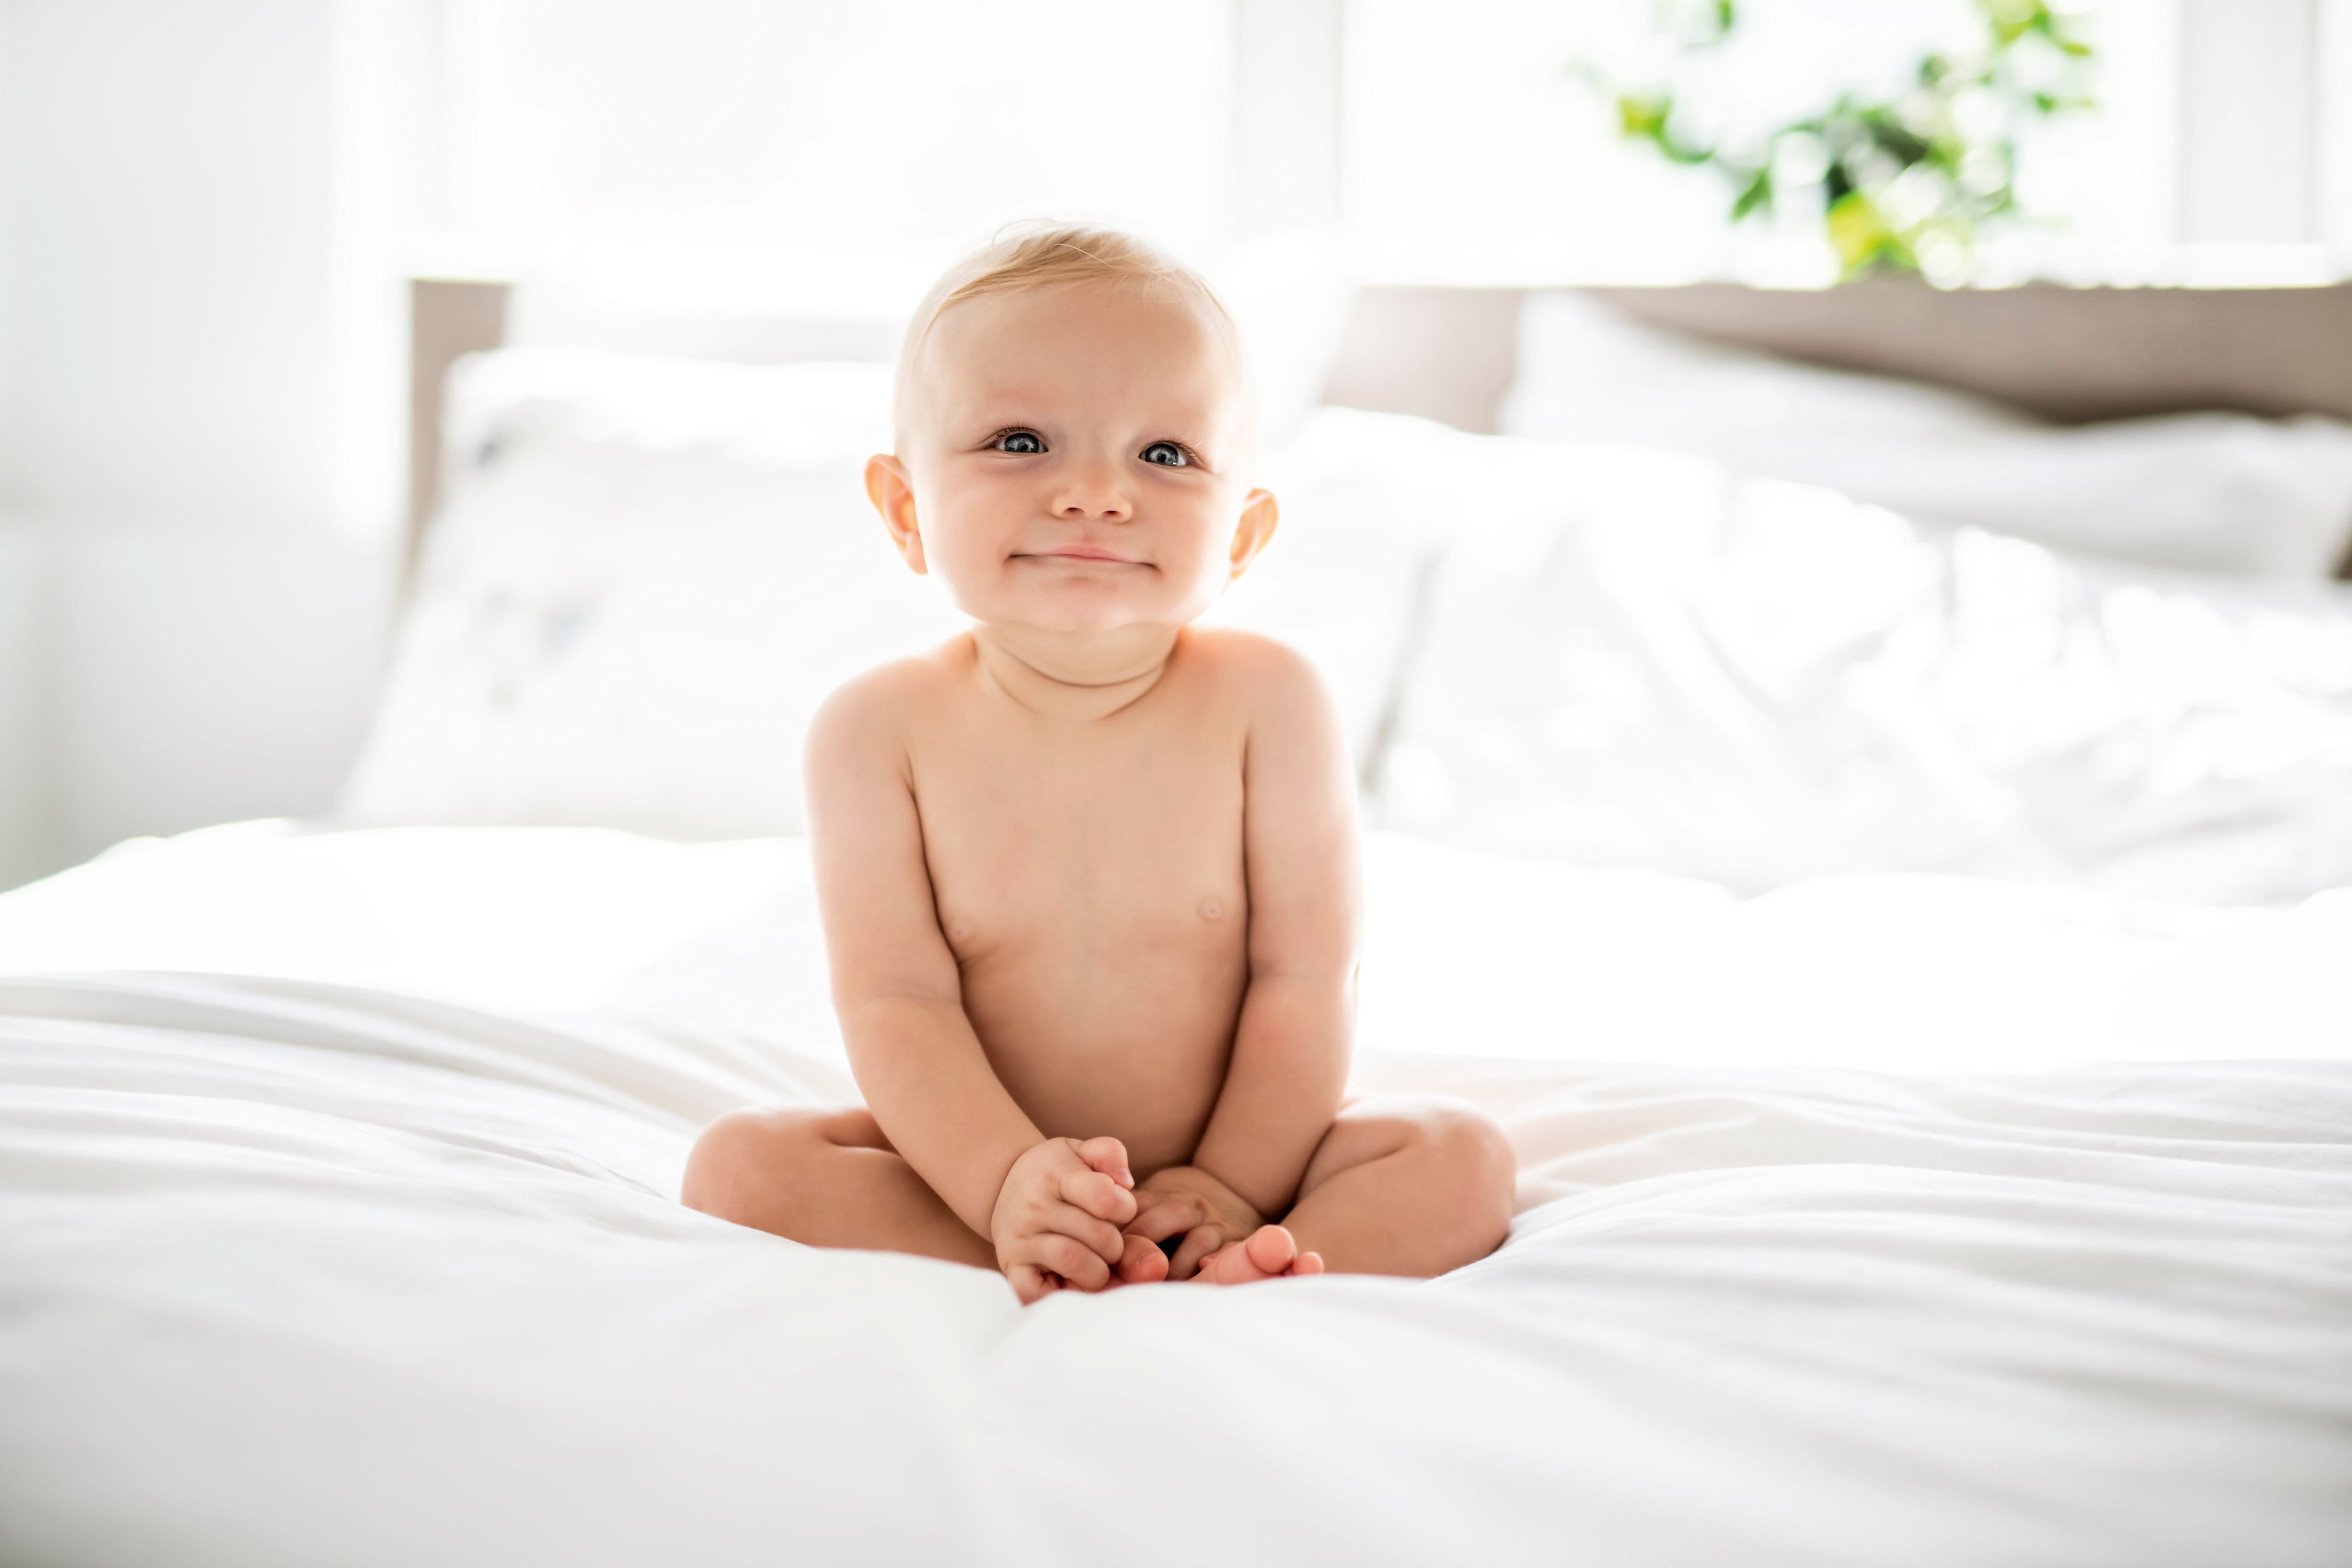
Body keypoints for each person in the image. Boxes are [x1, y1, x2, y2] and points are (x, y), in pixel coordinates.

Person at [683, 225, 1515, 1302]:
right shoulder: (875, 733)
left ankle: (1224, 1265)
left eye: (1164, 455)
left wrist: (1228, 1184)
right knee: (739, 1168)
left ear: (1243, 537)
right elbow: (898, 1003)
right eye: (1021, 441)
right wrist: (1005, 1184)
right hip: (977, 1175)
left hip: (1239, 1167)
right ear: (904, 510)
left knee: (1461, 1157)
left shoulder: (1271, 706)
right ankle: (1053, 1255)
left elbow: (1304, 983)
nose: (1095, 494)